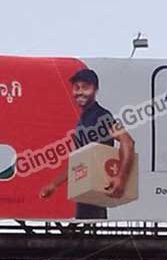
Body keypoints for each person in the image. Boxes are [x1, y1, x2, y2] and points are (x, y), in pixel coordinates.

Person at [40, 67, 136, 219]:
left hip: (98, 188)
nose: (80, 92)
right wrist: (54, 184)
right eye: (76, 88)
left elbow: (127, 142)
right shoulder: (81, 121)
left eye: (85, 87)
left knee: (93, 239)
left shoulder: (101, 116)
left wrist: (121, 177)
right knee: (82, 238)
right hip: (83, 189)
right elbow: (78, 161)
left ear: (95, 89)